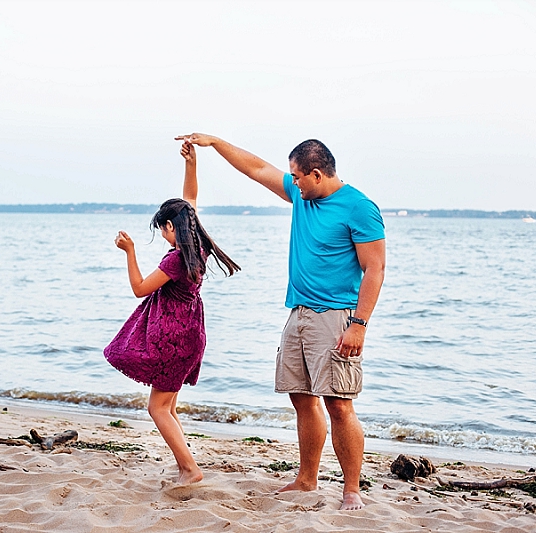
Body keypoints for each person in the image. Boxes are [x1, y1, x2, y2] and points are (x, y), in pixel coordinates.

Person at [174, 133, 386, 510]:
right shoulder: (303, 198)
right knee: (301, 399)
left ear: (316, 174)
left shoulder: (359, 208)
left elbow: (375, 268)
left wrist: (360, 325)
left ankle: (351, 489)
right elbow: (256, 168)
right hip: (298, 312)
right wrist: (213, 143)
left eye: (298, 177)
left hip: (337, 317)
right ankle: (307, 480)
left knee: (339, 404)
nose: (293, 183)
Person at [104, 141, 241, 486]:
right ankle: (185, 466)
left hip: (173, 337)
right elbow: (190, 202)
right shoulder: (199, 247)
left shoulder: (175, 258)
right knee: (168, 407)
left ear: (170, 228)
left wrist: (130, 250)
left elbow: (139, 288)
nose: (162, 234)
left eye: (162, 228)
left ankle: (191, 470)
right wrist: (191, 165)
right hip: (191, 335)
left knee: (157, 408)